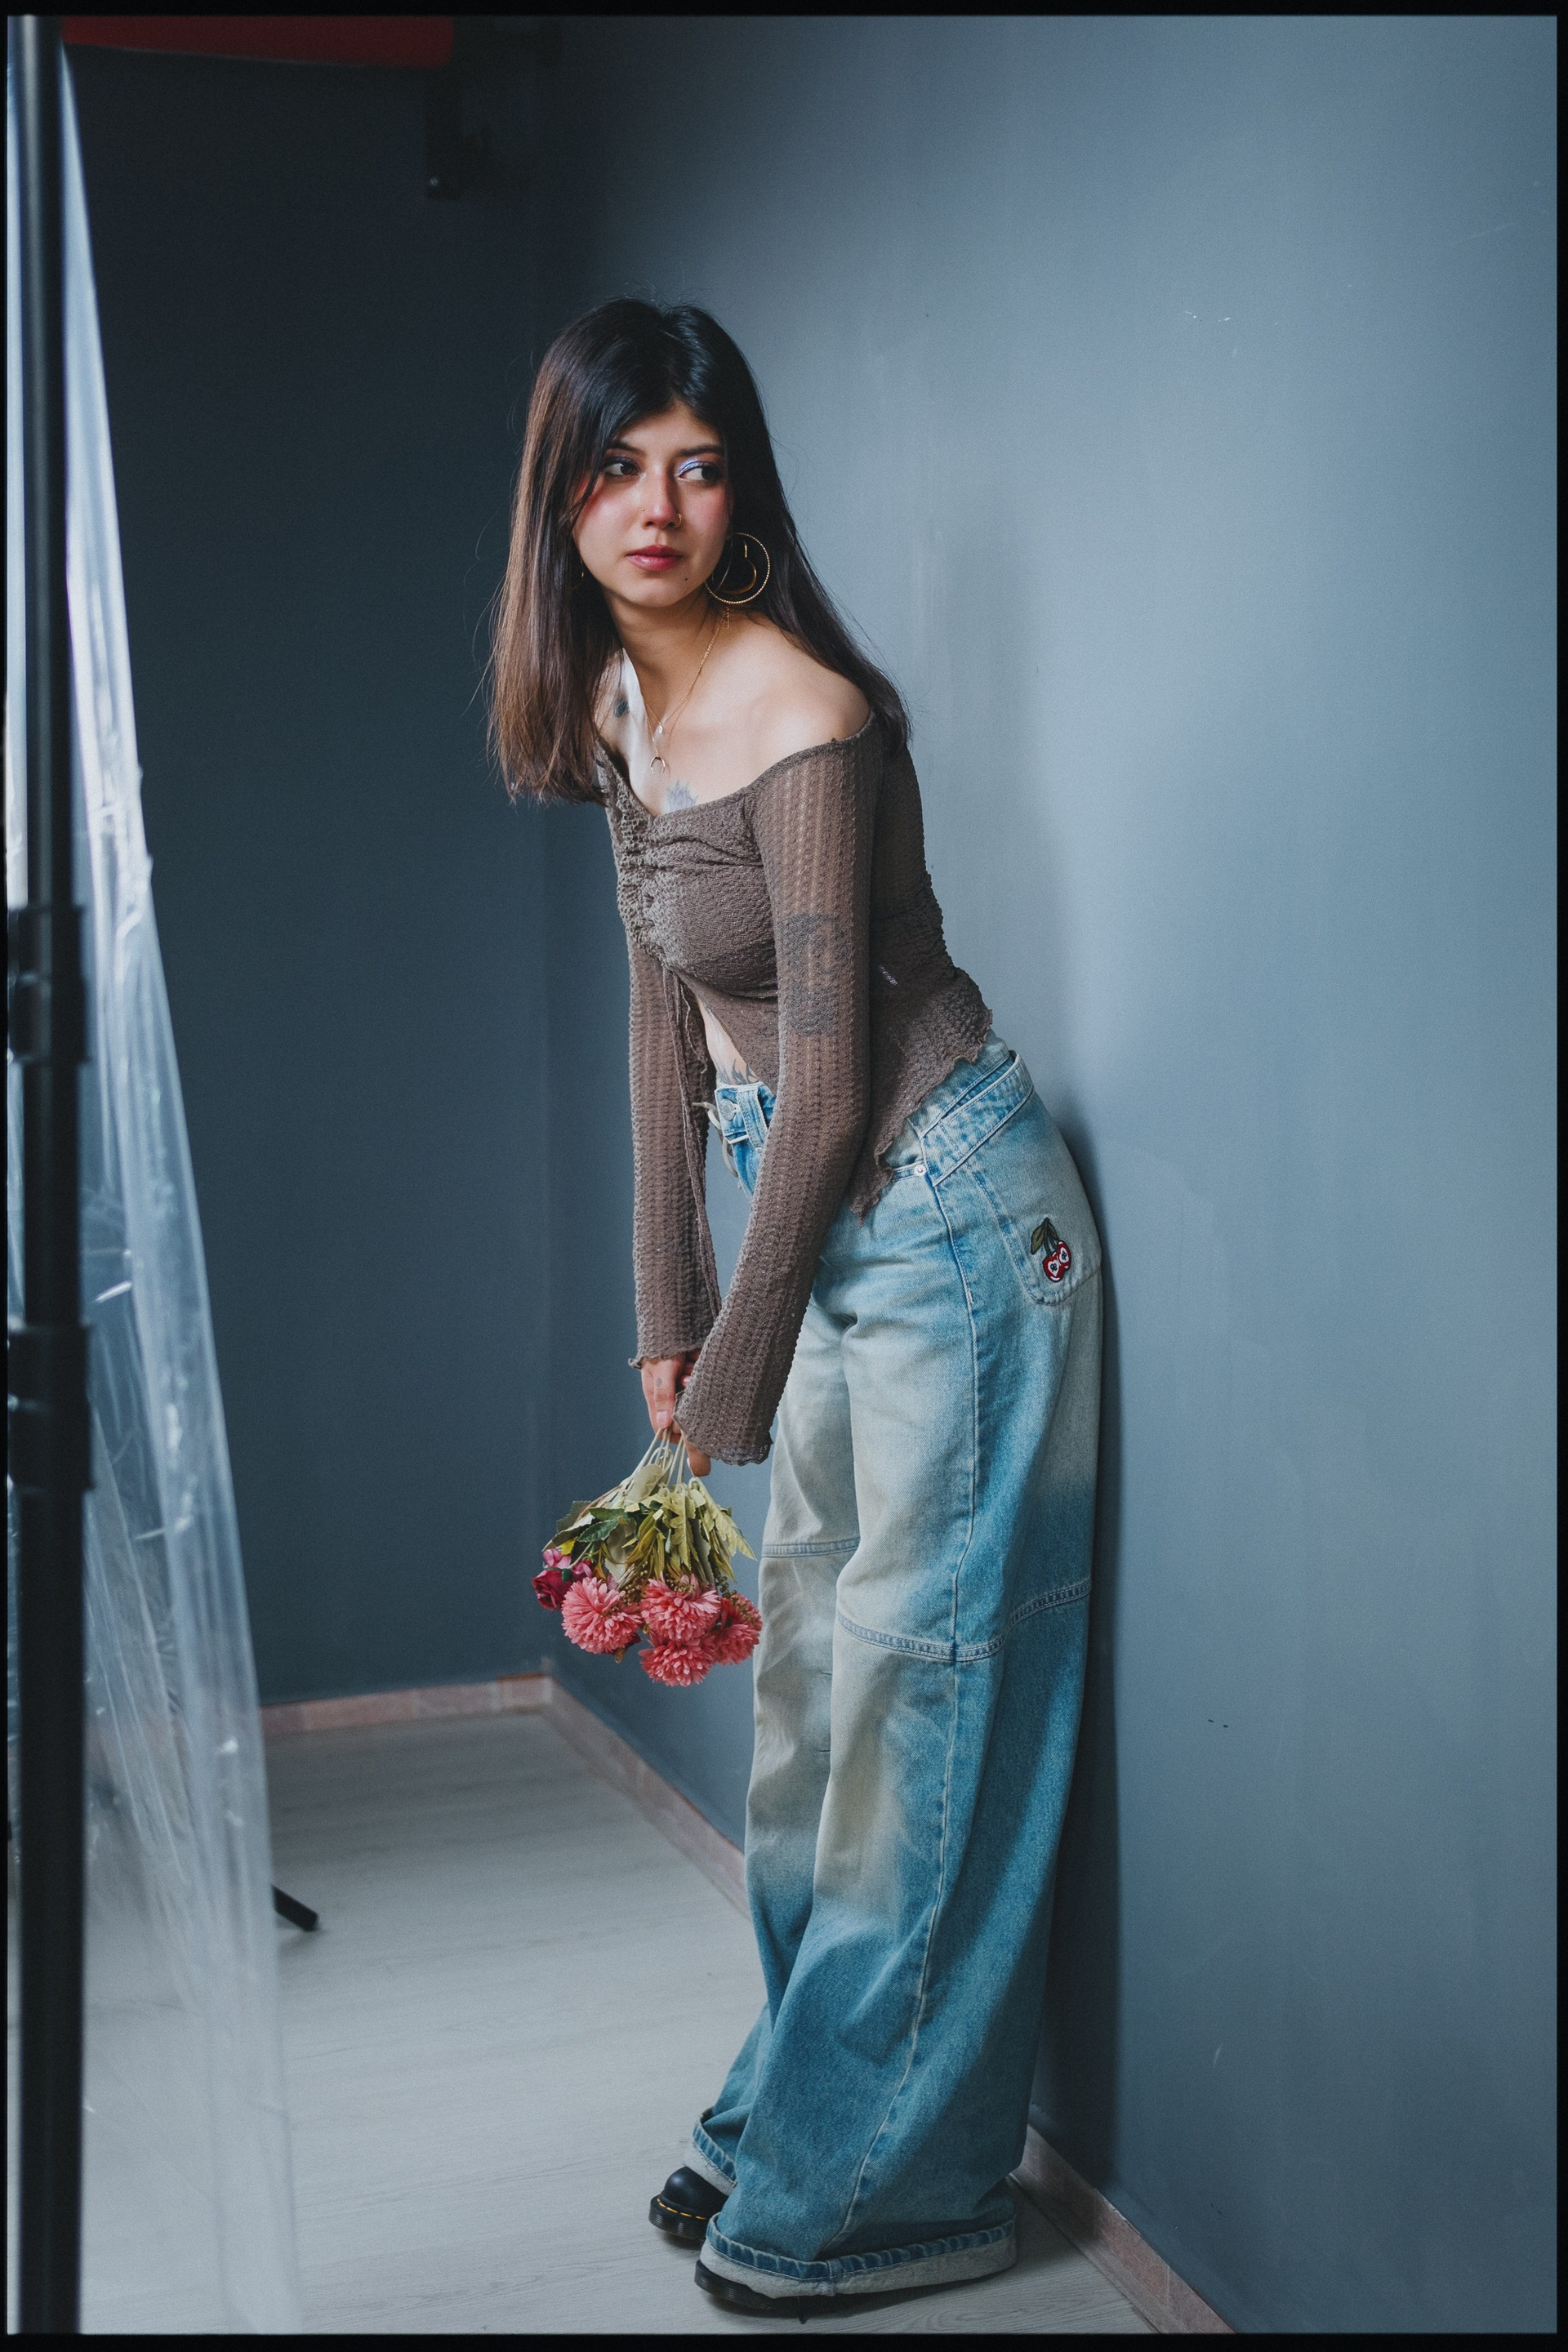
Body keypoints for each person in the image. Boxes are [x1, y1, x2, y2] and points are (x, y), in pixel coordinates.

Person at [489, 298, 1102, 2319]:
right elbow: (663, 1016)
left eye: (697, 465)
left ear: (742, 490)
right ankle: (802, 2112)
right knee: (810, 1710)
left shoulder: (800, 708)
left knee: (922, 1709)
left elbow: (831, 1078)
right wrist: (667, 1304)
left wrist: (730, 1383)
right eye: (615, 467)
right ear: (562, 499)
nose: (655, 507)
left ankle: (879, 2193)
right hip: (812, 1225)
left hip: (944, 1226)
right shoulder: (623, 703)